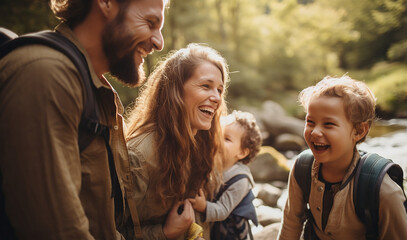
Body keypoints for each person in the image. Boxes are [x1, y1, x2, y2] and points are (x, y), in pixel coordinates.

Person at [0, 0, 166, 239]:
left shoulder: (97, 91)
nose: (159, 42)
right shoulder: (48, 75)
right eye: (150, 23)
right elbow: (57, 231)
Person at [277, 75, 407, 240]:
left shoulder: (383, 189)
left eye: (328, 124)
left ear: (358, 131)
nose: (315, 132)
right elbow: (291, 224)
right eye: (310, 122)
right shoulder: (301, 167)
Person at [121, 43, 230, 240]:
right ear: (175, 91)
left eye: (220, 90)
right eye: (206, 86)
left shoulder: (204, 145)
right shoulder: (137, 156)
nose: (216, 98)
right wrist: (165, 233)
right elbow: (107, 231)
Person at [189, 110, 262, 240]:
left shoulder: (241, 179)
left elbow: (223, 210)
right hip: (216, 228)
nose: (219, 141)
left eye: (227, 139)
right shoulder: (212, 165)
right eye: (219, 135)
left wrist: (204, 206)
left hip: (233, 232)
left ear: (242, 152)